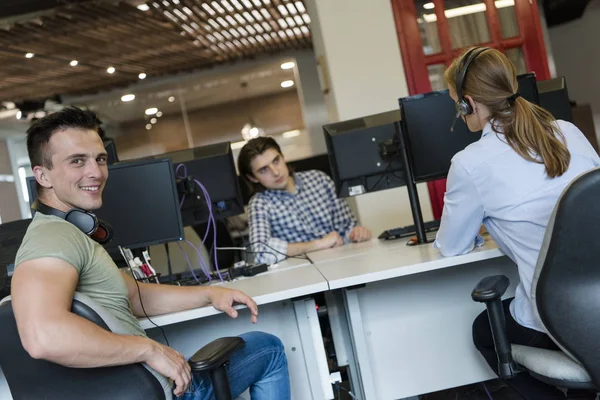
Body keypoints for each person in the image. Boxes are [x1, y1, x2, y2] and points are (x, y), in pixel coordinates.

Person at [12, 107, 291, 400]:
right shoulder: (52, 237)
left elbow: (135, 297)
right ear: (42, 176)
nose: (95, 171)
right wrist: (148, 349)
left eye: (100, 159)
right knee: (267, 349)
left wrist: (209, 295)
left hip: (137, 389)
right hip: (153, 393)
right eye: (77, 161)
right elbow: (42, 337)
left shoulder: (72, 234)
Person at [435, 47, 600, 399]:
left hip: (561, 317)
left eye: (456, 103)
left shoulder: (470, 164)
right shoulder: (568, 131)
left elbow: (451, 247)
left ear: (469, 104)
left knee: (484, 331)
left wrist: (483, 229)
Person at [238, 137, 372, 264]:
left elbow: (347, 228)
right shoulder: (259, 203)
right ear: (253, 178)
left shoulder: (319, 179)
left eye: (276, 161)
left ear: (283, 156)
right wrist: (317, 245)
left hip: (342, 263)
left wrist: (357, 233)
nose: (275, 172)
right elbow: (261, 252)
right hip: (303, 276)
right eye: (263, 170)